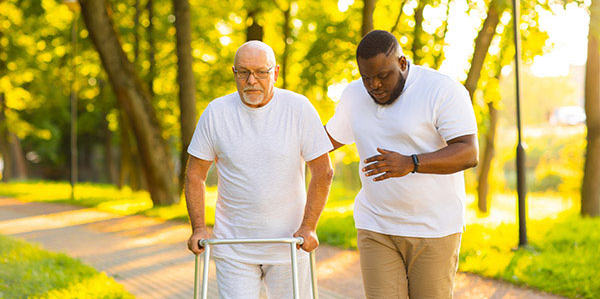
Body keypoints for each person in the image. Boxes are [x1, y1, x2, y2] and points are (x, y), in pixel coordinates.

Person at [325, 30, 479, 299]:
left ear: (403, 63)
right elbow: (324, 141)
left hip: (432, 228)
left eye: (383, 76)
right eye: (366, 78)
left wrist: (412, 163)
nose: (374, 85)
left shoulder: (441, 89)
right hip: (376, 225)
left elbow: (468, 152)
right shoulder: (352, 95)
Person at [185, 40, 333, 299]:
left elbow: (323, 172)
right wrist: (198, 227)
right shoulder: (216, 112)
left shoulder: (298, 108)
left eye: (261, 72)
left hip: (289, 246)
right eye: (243, 72)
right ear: (234, 73)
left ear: (275, 73)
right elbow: (195, 174)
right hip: (234, 247)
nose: (251, 80)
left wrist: (309, 226)